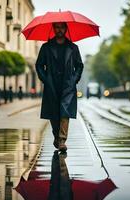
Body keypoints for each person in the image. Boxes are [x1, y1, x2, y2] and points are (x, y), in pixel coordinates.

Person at [35, 22, 84, 152]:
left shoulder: (73, 48)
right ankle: (56, 136)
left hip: (67, 84)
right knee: (53, 113)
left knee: (64, 111)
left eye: (62, 27)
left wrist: (74, 79)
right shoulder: (46, 47)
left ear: (66, 29)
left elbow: (79, 65)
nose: (59, 30)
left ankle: (62, 140)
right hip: (52, 83)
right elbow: (39, 65)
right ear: (53, 28)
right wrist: (45, 79)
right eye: (57, 27)